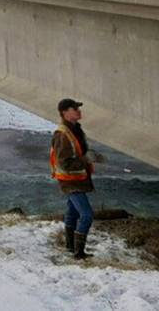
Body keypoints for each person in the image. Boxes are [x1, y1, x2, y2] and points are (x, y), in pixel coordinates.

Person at [50, 98, 103, 259]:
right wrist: (87, 159)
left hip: (77, 178)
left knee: (72, 213)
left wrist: (91, 156)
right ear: (65, 112)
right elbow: (64, 163)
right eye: (74, 109)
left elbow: (79, 152)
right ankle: (79, 253)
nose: (79, 111)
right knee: (86, 215)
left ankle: (70, 247)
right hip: (70, 180)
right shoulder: (63, 134)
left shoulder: (75, 130)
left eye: (78, 108)